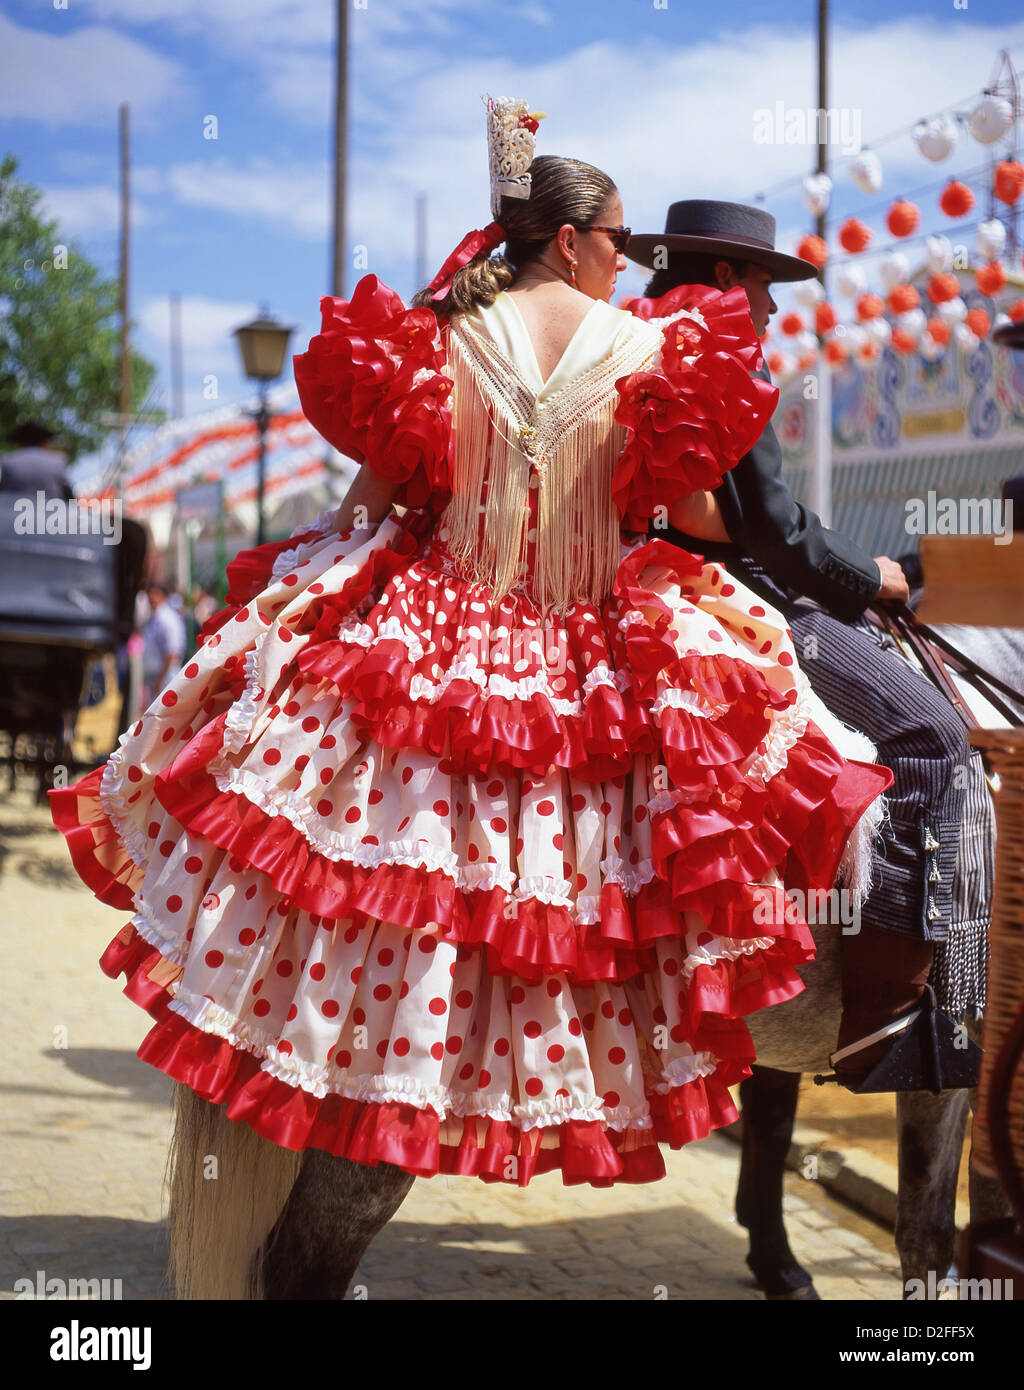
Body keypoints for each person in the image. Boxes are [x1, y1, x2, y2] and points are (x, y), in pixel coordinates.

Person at [48, 99, 891, 1187]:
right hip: (582, 647)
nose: (627, 261)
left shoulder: (431, 338)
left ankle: (349, 1064)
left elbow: (367, 509)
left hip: (436, 635)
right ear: (572, 239)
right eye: (619, 240)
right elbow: (694, 521)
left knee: (378, 886)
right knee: (604, 882)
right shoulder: (649, 349)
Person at [625, 200, 973, 1089]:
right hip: (730, 596)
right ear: (727, 279)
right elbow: (774, 533)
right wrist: (875, 579)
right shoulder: (717, 351)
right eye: (767, 286)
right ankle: (894, 1010)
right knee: (938, 740)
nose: (774, 310)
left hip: (636, 582)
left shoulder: (627, 342)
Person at [0, 421, 74, 501]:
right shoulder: (58, 460)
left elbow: (3, 490)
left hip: (12, 511)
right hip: (51, 511)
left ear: (19, 442)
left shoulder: (7, 460)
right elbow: (67, 492)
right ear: (45, 441)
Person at [140, 582, 186, 703]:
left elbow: (172, 651)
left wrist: (161, 679)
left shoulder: (167, 618)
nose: (151, 597)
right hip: (156, 676)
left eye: (155, 594)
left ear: (163, 596)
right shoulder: (154, 617)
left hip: (165, 676)